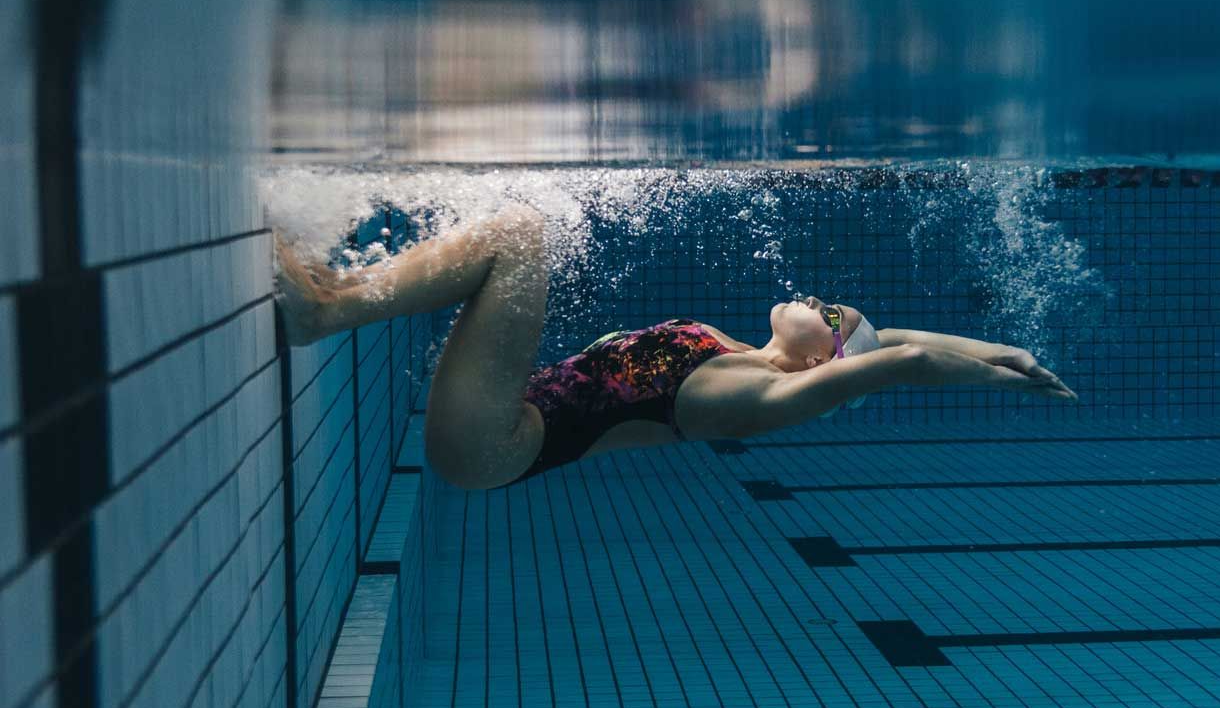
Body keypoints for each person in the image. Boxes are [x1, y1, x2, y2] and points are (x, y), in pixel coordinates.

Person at [274, 204, 1077, 490]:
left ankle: (325, 310)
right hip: (502, 417)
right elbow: (891, 337)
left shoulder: (758, 397)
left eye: (824, 311)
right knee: (514, 232)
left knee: (519, 233)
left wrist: (1002, 384)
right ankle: (334, 290)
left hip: (493, 444)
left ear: (820, 361)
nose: (812, 298)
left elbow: (893, 360)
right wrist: (1002, 345)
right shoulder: (736, 348)